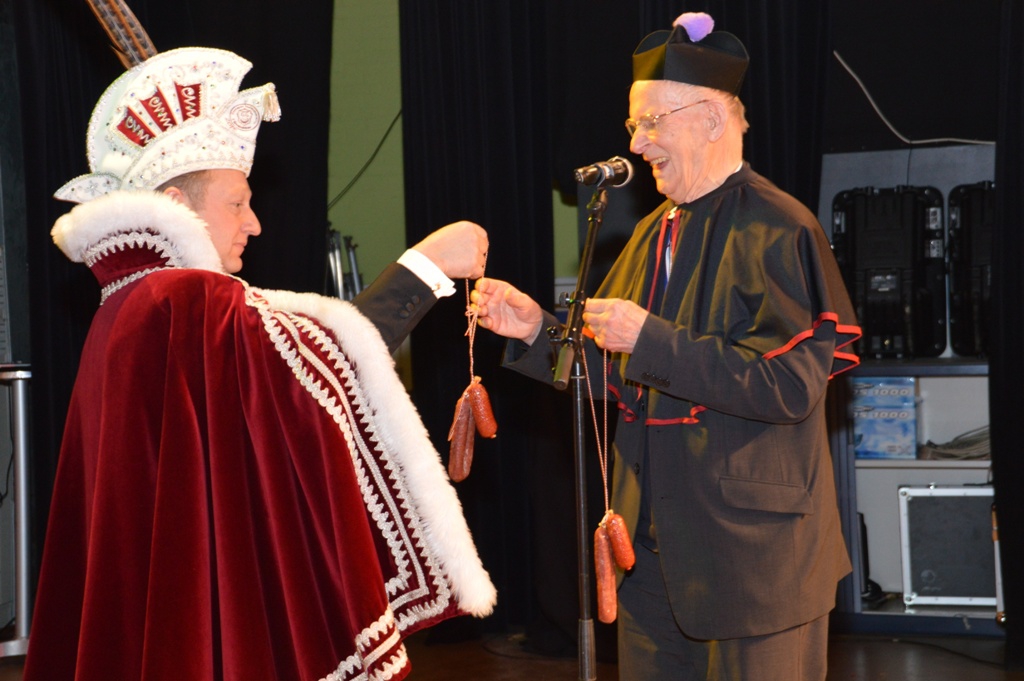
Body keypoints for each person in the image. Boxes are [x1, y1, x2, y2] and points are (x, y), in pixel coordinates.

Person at [23, 44, 496, 681]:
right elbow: (310, 372)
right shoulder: (184, 299)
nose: (254, 224)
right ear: (177, 204)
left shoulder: (129, 303)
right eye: (236, 203)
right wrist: (425, 268)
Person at [471, 12, 862, 681]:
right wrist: (535, 328)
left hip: (753, 560)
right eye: (632, 125)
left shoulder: (780, 227)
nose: (636, 142)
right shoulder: (651, 233)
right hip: (651, 557)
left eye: (651, 122)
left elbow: (789, 388)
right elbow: (613, 373)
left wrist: (651, 339)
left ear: (710, 118)